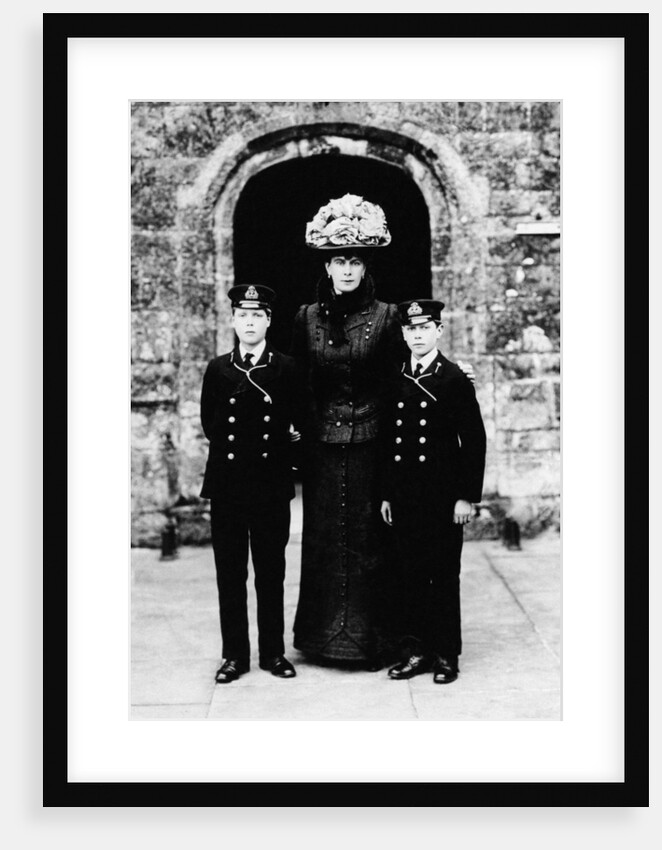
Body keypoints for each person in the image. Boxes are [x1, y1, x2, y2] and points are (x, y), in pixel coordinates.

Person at [290, 194, 403, 669]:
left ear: (365, 264)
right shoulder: (306, 317)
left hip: (370, 446)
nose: (347, 269)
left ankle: (372, 638)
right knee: (323, 539)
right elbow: (297, 382)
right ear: (328, 265)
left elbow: (402, 382)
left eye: (356, 259)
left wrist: (456, 377)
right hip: (322, 450)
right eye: (339, 260)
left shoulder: (387, 316)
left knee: (368, 541)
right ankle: (319, 638)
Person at [379, 299, 486, 684]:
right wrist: (388, 493)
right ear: (404, 334)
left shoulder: (454, 378)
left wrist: (465, 495)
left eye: (425, 328)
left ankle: (445, 654)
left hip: (442, 498)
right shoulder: (397, 377)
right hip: (406, 497)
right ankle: (416, 651)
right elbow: (389, 442)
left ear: (439, 330)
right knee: (409, 575)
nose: (418, 335)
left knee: (443, 575)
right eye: (411, 329)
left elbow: (473, 440)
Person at [200, 284, 301, 684]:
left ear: (268, 321)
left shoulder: (286, 367)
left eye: (257, 316)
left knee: (270, 572)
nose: (249, 322)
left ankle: (273, 653)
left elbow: (296, 422)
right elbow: (211, 423)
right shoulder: (218, 368)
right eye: (243, 316)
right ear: (233, 320)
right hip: (226, 486)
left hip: (270, 485)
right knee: (230, 574)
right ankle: (234, 656)